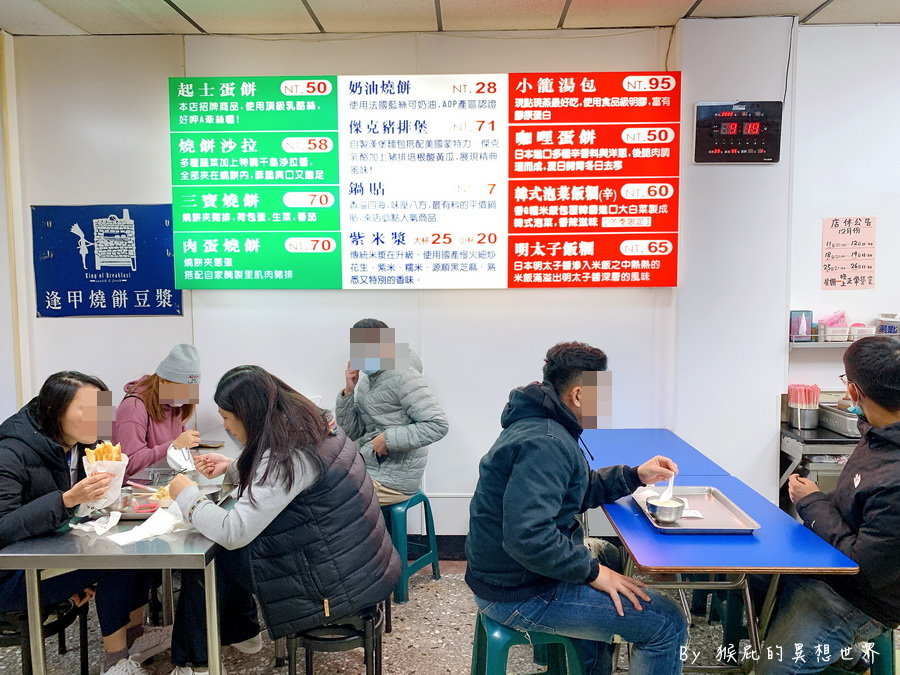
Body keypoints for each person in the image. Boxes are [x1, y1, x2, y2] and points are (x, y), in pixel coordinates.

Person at [465, 341, 688, 674]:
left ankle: (584, 665)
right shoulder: (547, 443)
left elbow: (574, 491)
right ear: (579, 395)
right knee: (666, 623)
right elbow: (528, 537)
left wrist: (635, 475)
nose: (607, 403)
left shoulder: (543, 423)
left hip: (507, 574)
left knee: (610, 555)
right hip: (518, 593)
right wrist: (594, 574)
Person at [166, 365, 400, 675]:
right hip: (355, 562)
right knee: (226, 551)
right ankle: (241, 633)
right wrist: (235, 467)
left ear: (249, 414)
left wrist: (187, 495)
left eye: (226, 417)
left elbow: (233, 530)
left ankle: (194, 663)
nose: (225, 426)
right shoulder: (312, 424)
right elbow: (284, 482)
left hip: (331, 584)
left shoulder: (287, 453)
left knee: (210, 555)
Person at [0, 371, 170, 675]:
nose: (99, 419)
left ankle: (135, 636)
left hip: (56, 550)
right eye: (88, 410)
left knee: (141, 544)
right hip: (14, 573)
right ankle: (115, 661)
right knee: (115, 560)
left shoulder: (82, 444)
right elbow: (3, 527)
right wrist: (65, 500)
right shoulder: (11, 451)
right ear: (55, 408)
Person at [757, 335, 900, 674]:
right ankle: (843, 658)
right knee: (749, 578)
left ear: (853, 392)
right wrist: (818, 503)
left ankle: (843, 654)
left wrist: (811, 502)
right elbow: (854, 506)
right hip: (829, 565)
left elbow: (861, 566)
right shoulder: (879, 435)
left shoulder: (894, 474)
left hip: (860, 596)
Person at [336, 318, 449, 505]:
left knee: (330, 502)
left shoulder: (404, 374)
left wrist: (388, 439)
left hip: (395, 478)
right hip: (371, 466)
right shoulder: (366, 381)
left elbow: (438, 425)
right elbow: (352, 432)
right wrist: (348, 391)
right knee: (322, 487)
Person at [114, 343, 201, 478]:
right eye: (182, 389)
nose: (186, 396)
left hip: (165, 481)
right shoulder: (133, 407)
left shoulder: (174, 406)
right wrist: (174, 446)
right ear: (163, 381)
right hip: (138, 488)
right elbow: (129, 464)